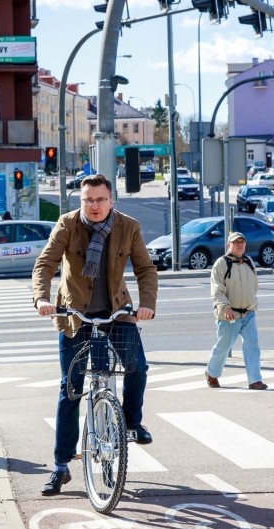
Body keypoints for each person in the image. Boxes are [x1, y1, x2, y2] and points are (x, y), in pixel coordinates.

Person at [32, 173, 158, 496]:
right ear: (81, 201)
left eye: (101, 199)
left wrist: (146, 305)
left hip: (117, 311)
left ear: (111, 200)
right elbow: (45, 263)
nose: (95, 206)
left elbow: (145, 268)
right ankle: (61, 466)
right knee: (71, 389)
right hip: (75, 315)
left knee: (138, 367)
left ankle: (130, 422)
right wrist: (42, 298)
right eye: (88, 200)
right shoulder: (67, 225)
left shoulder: (128, 227)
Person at [204, 232, 268, 391]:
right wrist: (225, 307)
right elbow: (216, 290)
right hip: (229, 315)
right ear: (228, 245)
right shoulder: (221, 263)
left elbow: (254, 285)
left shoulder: (248, 261)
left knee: (252, 346)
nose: (240, 245)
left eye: (242, 242)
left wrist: (252, 303)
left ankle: (255, 380)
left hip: (248, 313)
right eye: (236, 242)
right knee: (223, 347)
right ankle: (211, 373)